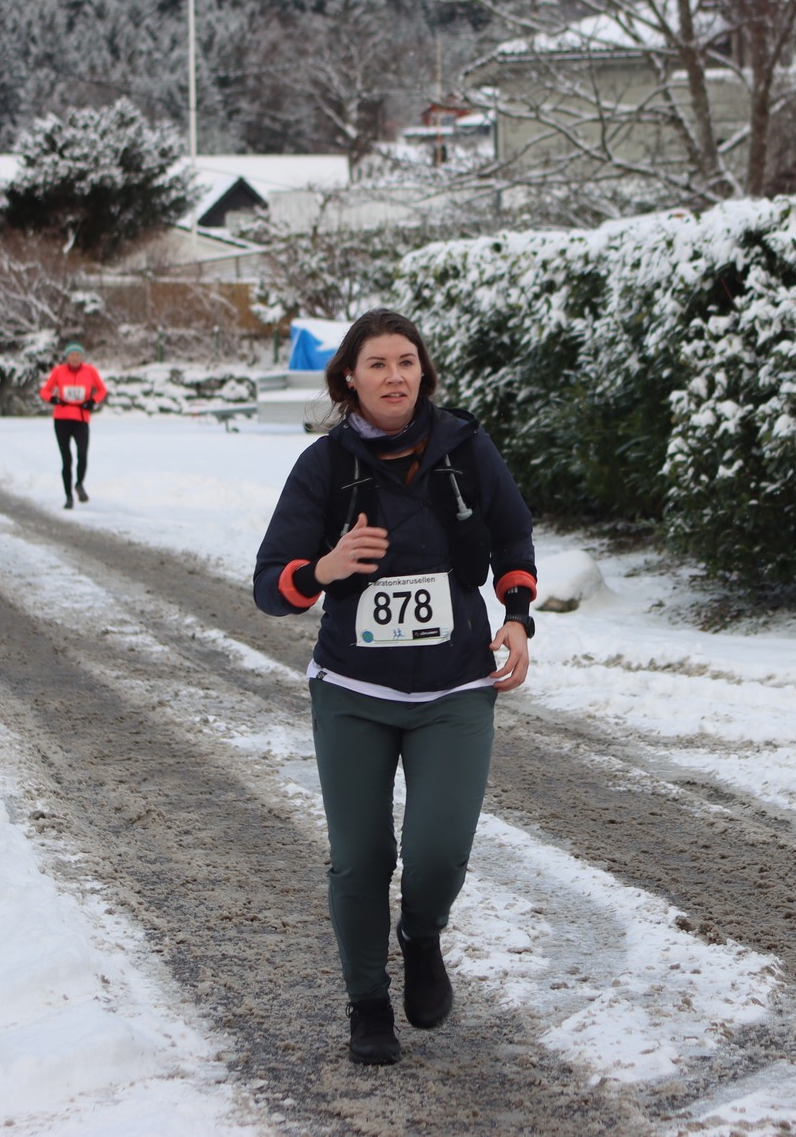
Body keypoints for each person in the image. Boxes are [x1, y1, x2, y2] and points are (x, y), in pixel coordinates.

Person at [253, 309, 537, 1066]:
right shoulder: (323, 465)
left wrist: (516, 617)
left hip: (454, 686)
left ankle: (420, 933)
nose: (394, 376)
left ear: (424, 371)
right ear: (349, 377)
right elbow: (270, 585)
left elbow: (513, 535)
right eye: (377, 364)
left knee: (438, 852)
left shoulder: (466, 448)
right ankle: (368, 1004)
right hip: (353, 689)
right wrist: (324, 568)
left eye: (406, 361)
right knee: (361, 857)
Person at [38, 343, 106, 510]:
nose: (75, 358)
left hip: (81, 419)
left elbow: (102, 390)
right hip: (62, 420)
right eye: (72, 355)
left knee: (82, 455)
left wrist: (92, 401)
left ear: (82, 357)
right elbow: (45, 391)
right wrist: (53, 399)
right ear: (67, 357)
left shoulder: (90, 371)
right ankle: (68, 496)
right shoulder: (58, 371)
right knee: (66, 459)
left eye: (78, 355)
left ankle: (79, 484)